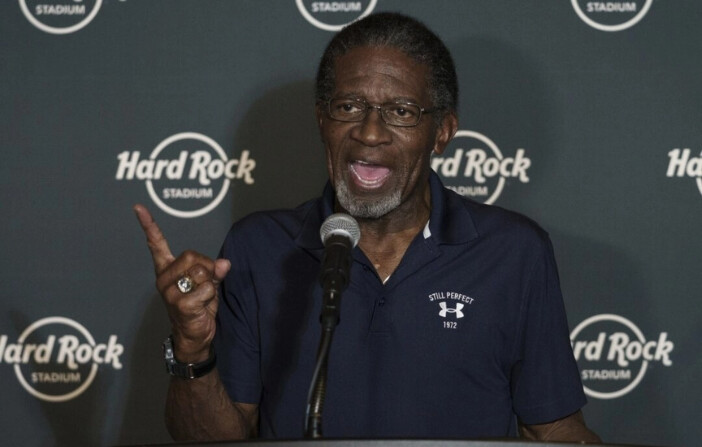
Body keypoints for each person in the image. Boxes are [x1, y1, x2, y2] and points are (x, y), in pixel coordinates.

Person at [135, 12, 601, 443]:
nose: (370, 132)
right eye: (349, 106)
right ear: (322, 120)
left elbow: (553, 428)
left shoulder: (513, 252)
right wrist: (192, 352)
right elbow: (218, 440)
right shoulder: (256, 248)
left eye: (401, 111)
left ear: (442, 132)